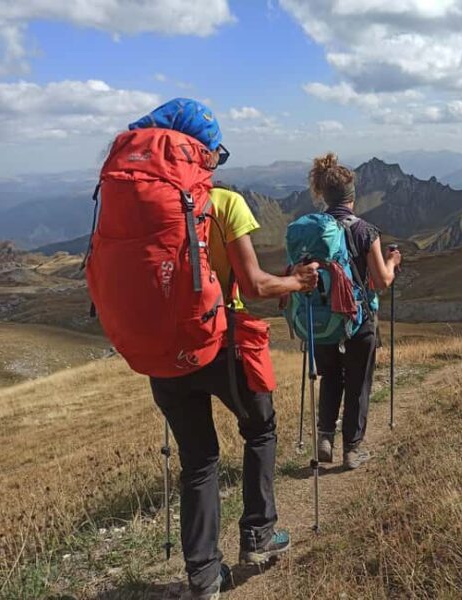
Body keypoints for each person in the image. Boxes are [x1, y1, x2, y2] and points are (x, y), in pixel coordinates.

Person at [128, 99, 319, 599]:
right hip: (223, 345)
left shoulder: (136, 209)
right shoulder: (226, 204)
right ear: (201, 154)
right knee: (260, 428)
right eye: (215, 153)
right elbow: (254, 285)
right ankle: (258, 535)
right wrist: (297, 282)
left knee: (199, 459)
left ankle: (203, 576)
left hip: (163, 355)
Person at [309, 153, 402, 470]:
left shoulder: (312, 230)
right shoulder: (365, 231)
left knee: (330, 377)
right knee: (358, 383)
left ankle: (324, 436)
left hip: (322, 321)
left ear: (324, 193)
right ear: (352, 196)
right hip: (359, 320)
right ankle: (351, 449)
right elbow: (381, 281)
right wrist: (393, 262)